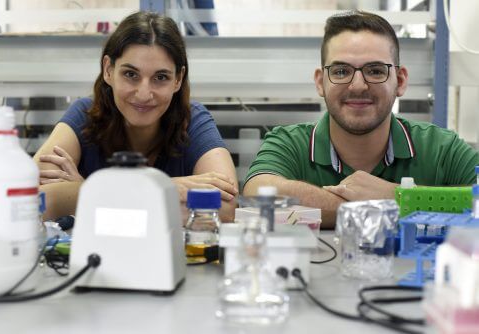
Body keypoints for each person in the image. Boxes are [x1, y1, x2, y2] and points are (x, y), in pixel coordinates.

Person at [243, 10, 479, 228]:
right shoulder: (290, 143)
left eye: (375, 71)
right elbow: (258, 193)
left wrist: (398, 196)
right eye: (341, 71)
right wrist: (380, 207)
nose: (358, 86)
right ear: (320, 82)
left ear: (401, 80)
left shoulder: (441, 149)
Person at [34, 11, 238, 222]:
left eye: (161, 77)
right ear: (108, 70)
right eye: (131, 74)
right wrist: (164, 188)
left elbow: (225, 207)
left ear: (178, 79)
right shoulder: (84, 115)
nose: (143, 94)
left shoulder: (193, 121)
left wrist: (88, 192)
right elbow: (36, 200)